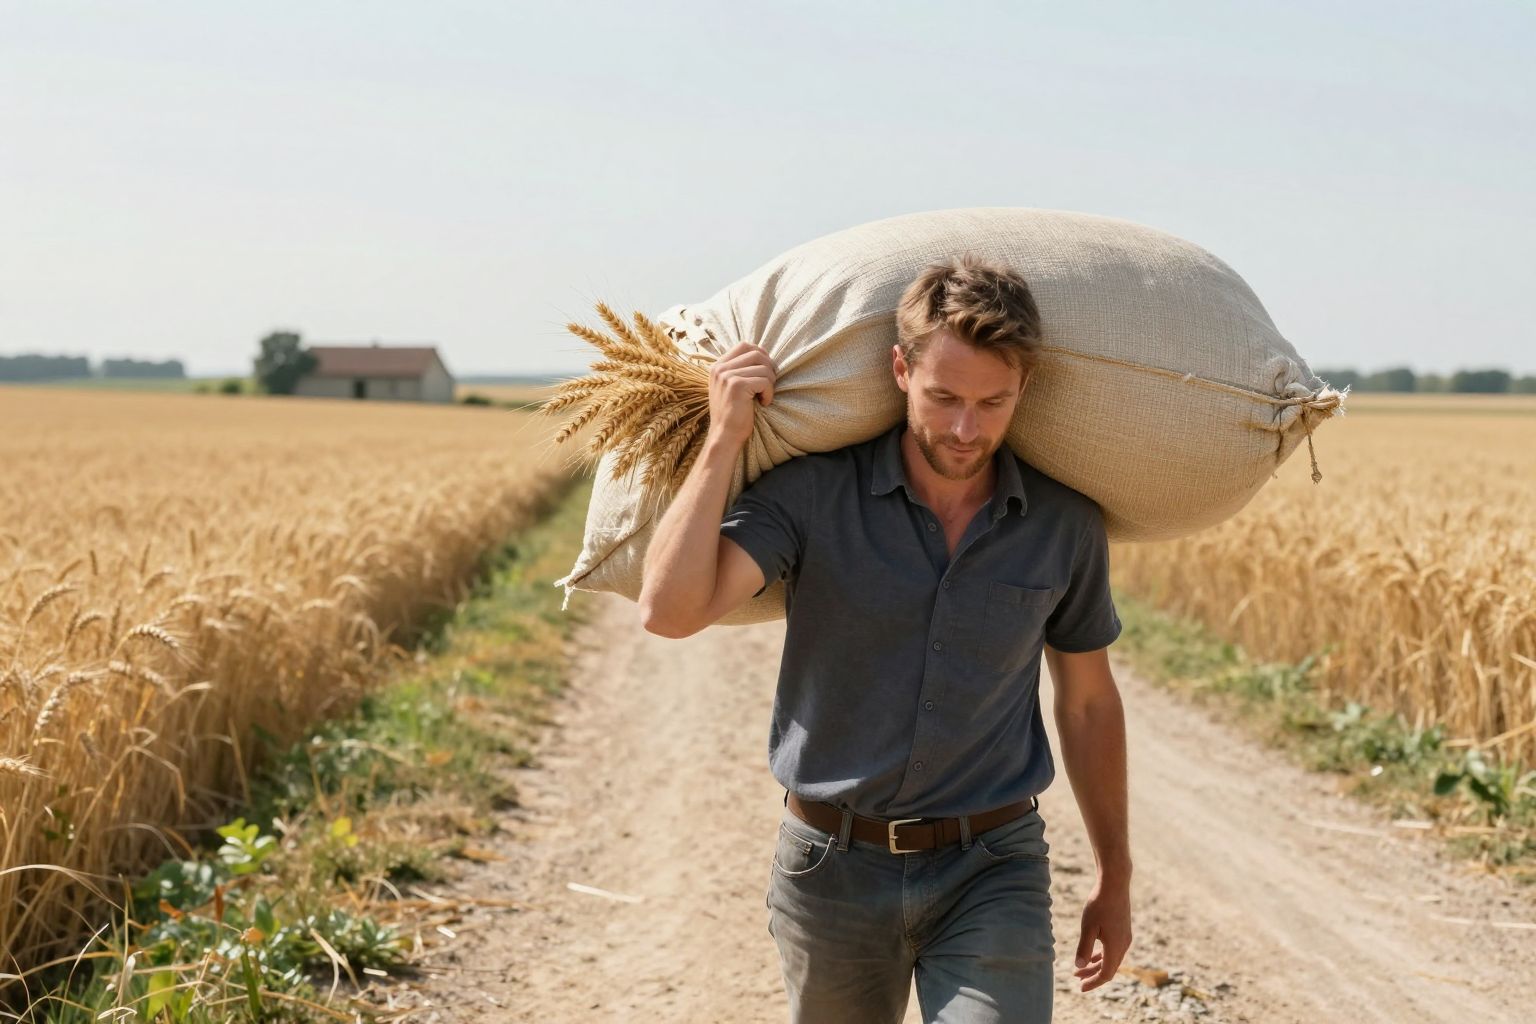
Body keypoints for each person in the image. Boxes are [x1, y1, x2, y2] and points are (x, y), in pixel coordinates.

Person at [637, 253, 1132, 1024]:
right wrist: (724, 437)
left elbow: (1089, 704)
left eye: (992, 403)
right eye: (944, 398)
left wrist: (1116, 875)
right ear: (901, 370)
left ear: (1024, 388)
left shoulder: (1062, 526)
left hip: (993, 868)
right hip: (829, 871)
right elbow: (668, 612)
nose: (966, 429)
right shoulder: (811, 495)